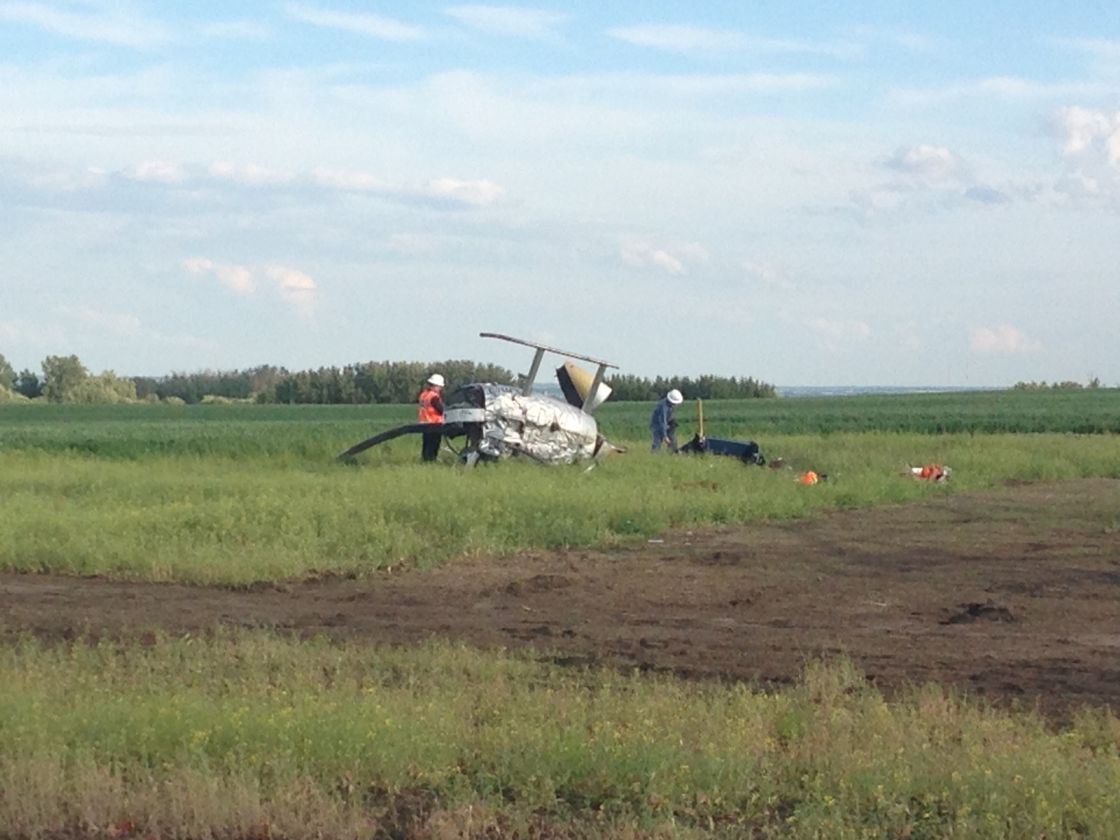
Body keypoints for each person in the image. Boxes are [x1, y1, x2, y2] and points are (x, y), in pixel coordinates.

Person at [417, 373, 445, 462]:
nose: (440, 389)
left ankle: (425, 459)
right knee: (434, 443)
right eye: (439, 387)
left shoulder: (423, 395)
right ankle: (432, 459)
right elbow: (441, 409)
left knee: (426, 443)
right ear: (435, 386)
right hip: (434, 423)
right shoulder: (434, 397)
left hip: (424, 423)